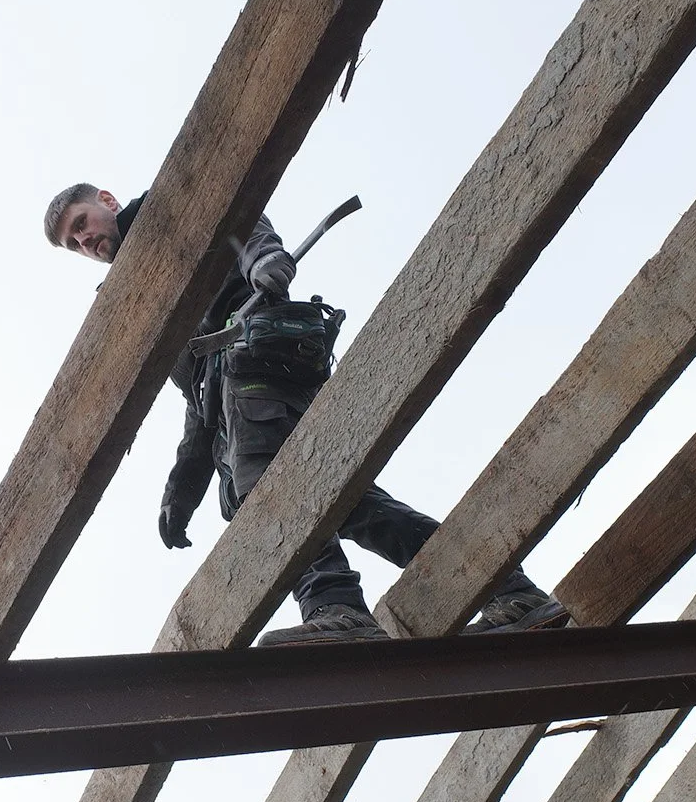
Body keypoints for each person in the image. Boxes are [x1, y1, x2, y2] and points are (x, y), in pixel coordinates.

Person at [43, 184, 566, 644]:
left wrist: (262, 260)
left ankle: (334, 607)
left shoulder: (169, 210)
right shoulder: (138, 302)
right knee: (352, 504)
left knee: (267, 492)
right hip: (236, 399)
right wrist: (184, 487)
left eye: (82, 223)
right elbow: (198, 397)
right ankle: (508, 590)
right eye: (73, 243)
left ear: (107, 201)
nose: (84, 241)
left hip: (263, 363)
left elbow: (237, 220)